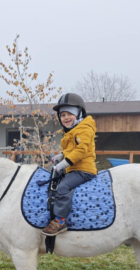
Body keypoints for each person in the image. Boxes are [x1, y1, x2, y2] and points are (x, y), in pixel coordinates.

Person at [42, 93, 97, 236]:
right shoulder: (72, 131)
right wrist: (61, 156)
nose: (66, 118)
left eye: (69, 114)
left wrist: (64, 164)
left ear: (79, 114)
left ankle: (60, 221)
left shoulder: (84, 129)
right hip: (74, 169)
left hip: (83, 170)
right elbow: (70, 150)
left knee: (63, 187)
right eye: (63, 115)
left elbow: (80, 150)